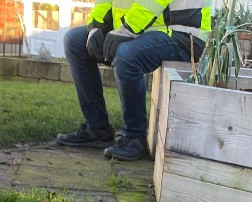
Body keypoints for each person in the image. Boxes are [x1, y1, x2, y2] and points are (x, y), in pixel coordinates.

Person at [57, 0, 211, 162]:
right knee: (74, 41)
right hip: (141, 29)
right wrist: (95, 27)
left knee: (127, 55)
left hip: (183, 34)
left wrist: (127, 29)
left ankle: (134, 137)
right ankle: (97, 129)